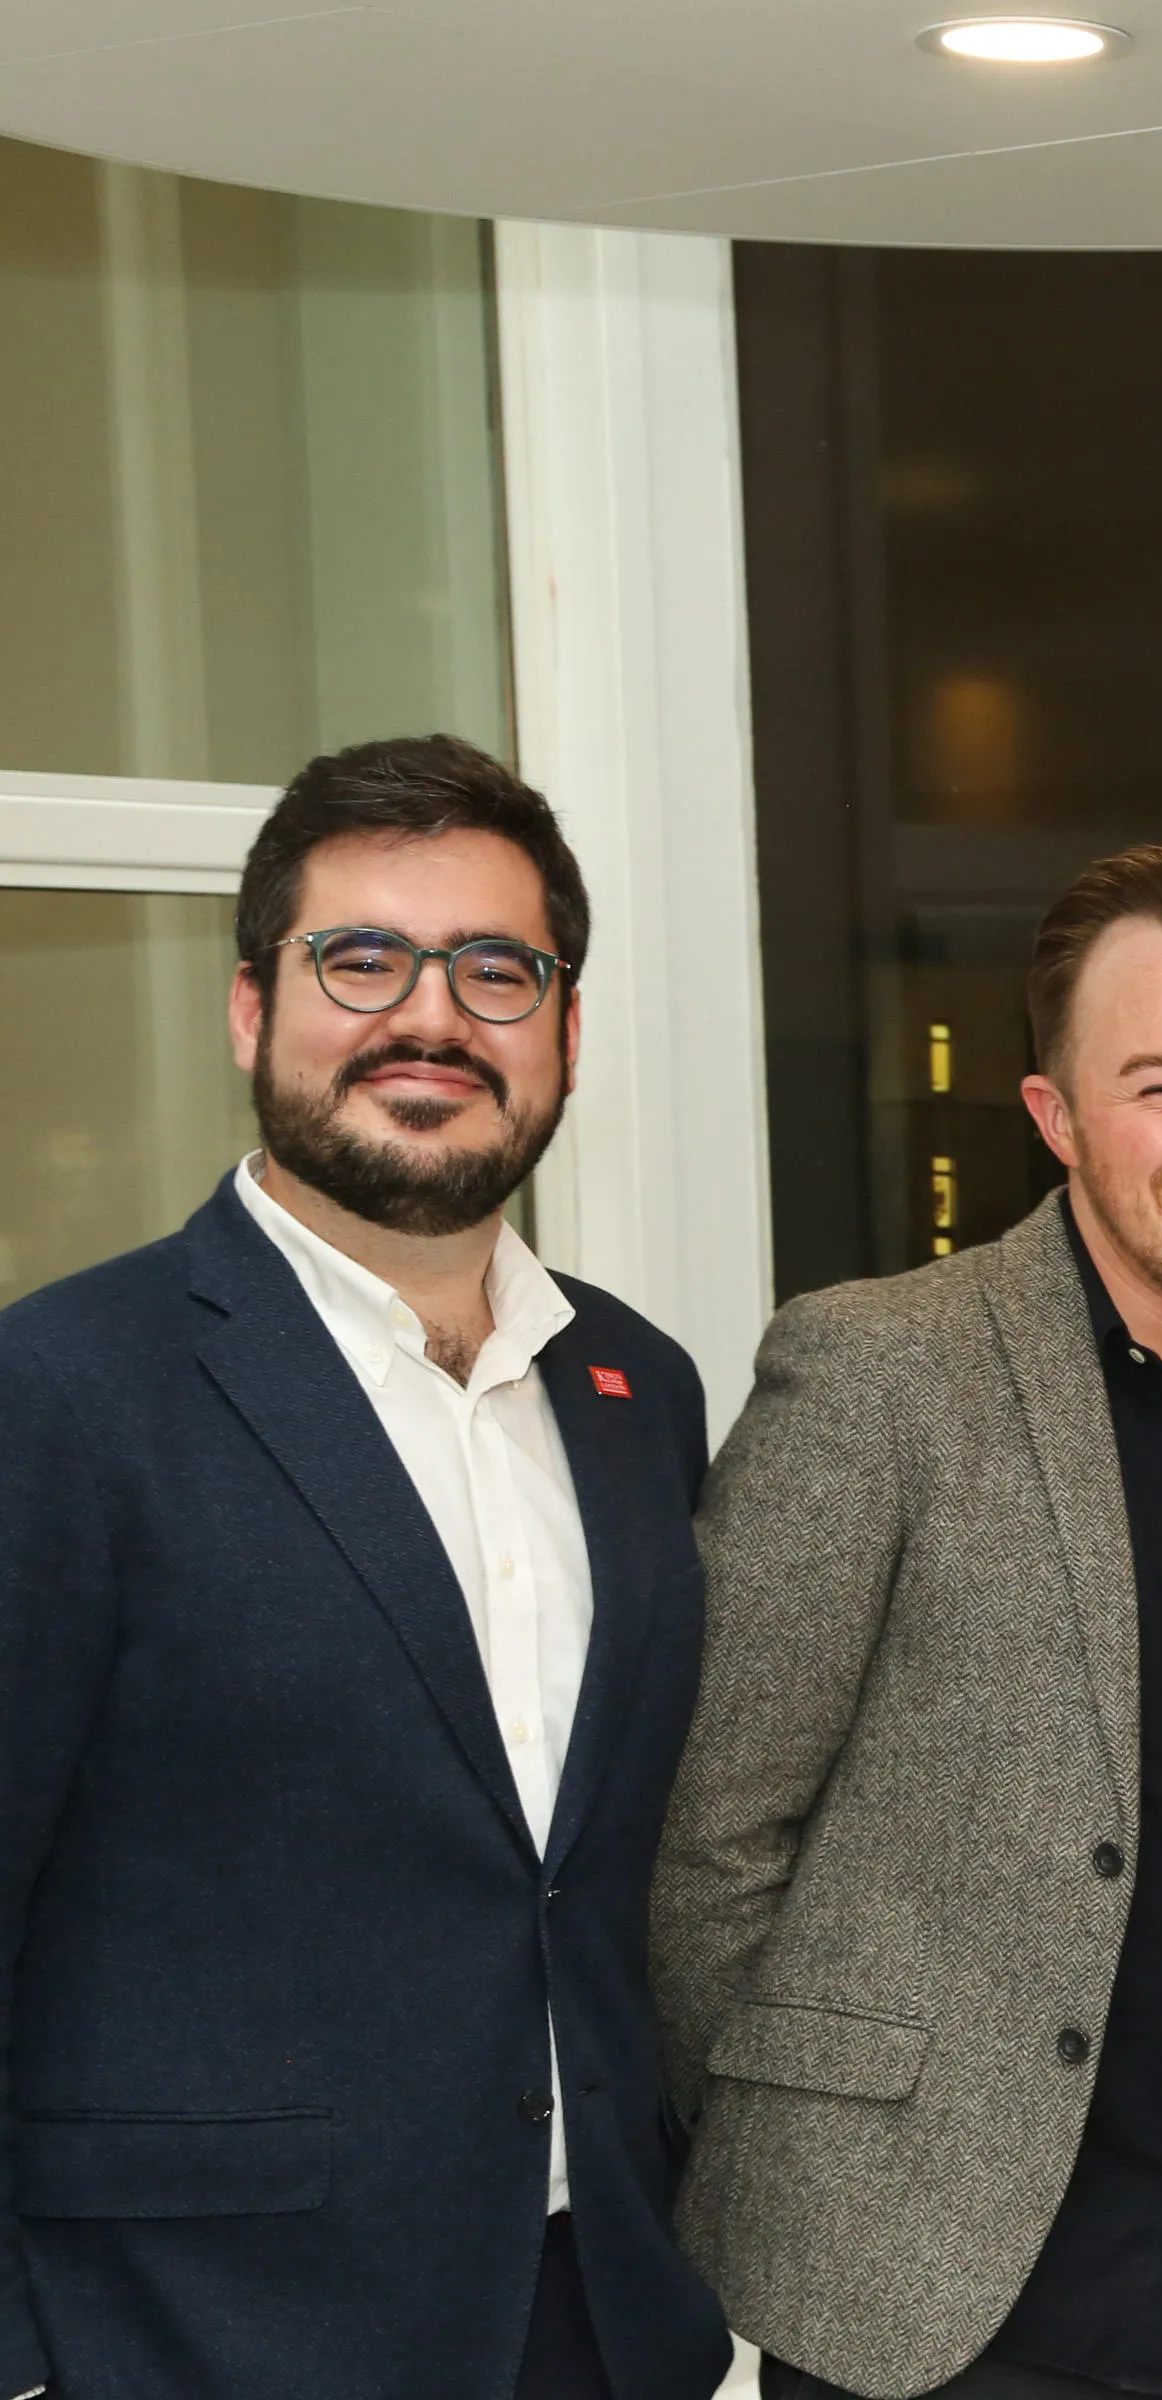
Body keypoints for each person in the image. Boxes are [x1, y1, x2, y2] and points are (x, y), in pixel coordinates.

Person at [649, 845, 1162, 2400]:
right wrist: (820, 2155)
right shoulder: (879, 1378)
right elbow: (709, 1837)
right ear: (1056, 1119)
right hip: (941, 2314)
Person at [0, 736, 732, 2400]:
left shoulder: (636, 1390)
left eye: (497, 971)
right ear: (253, 1011)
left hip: (595, 2321)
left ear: (563, 1031)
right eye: (363, 960)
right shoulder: (61, 1394)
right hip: (196, 2339)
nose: (433, 1020)